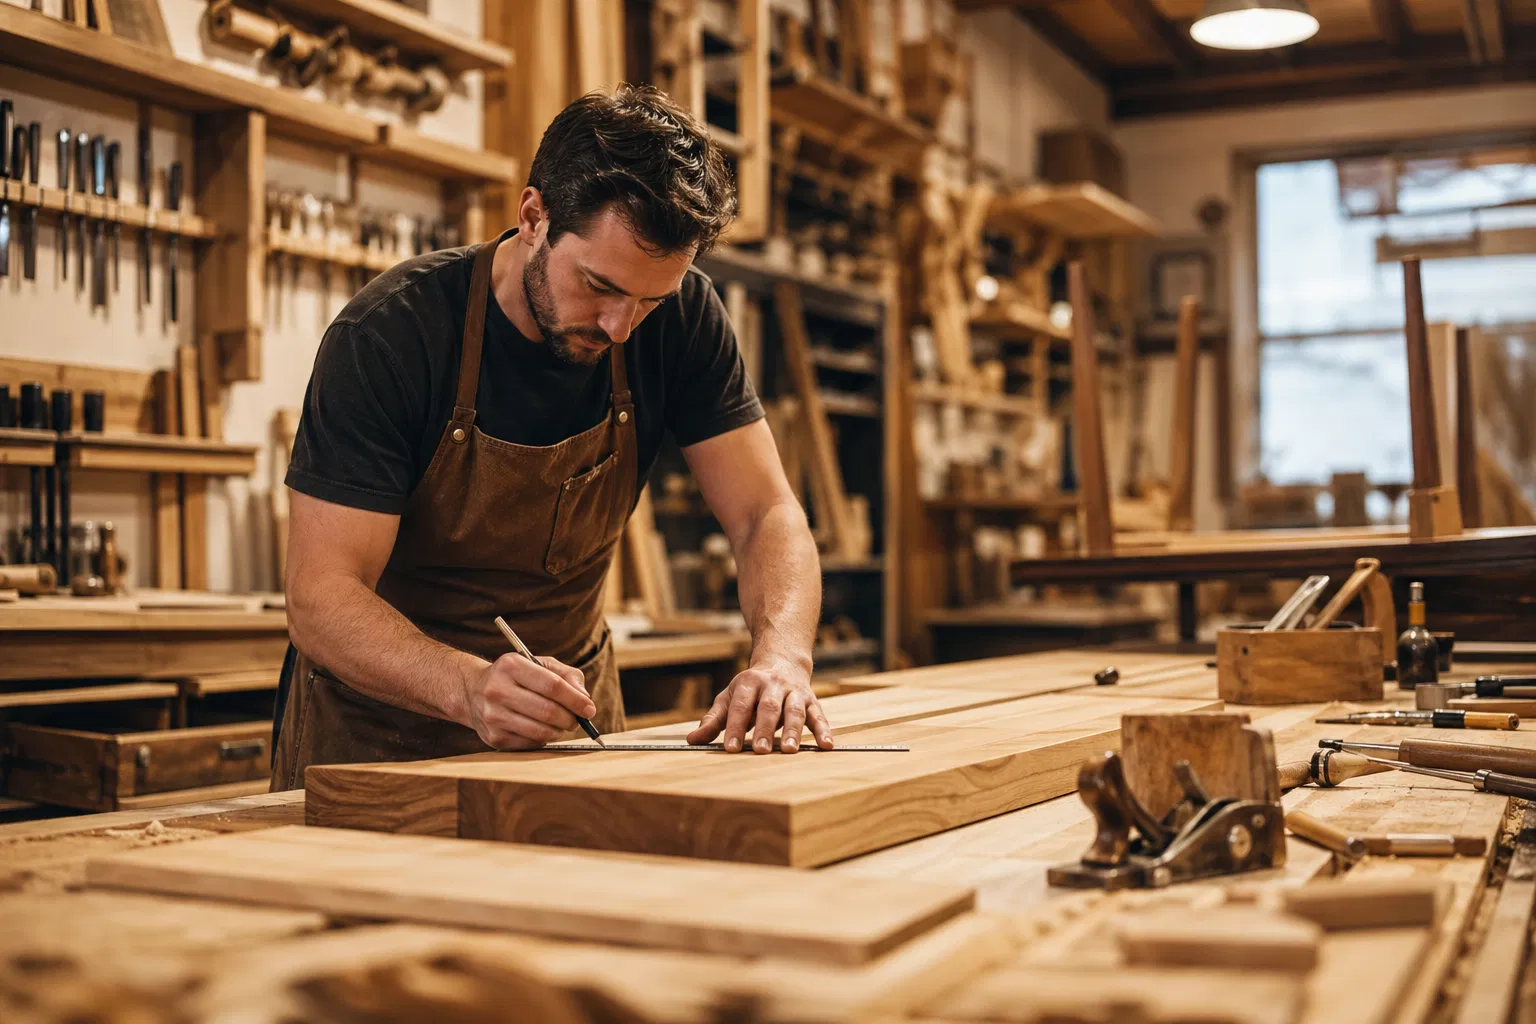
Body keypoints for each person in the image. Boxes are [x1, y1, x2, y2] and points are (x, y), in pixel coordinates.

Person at [270, 85, 832, 789]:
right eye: (598, 286)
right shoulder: (392, 335)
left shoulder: (685, 320)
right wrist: (470, 687)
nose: (620, 326)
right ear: (533, 216)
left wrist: (782, 657)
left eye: (649, 302)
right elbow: (321, 596)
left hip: (570, 733)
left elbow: (765, 515)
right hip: (378, 735)